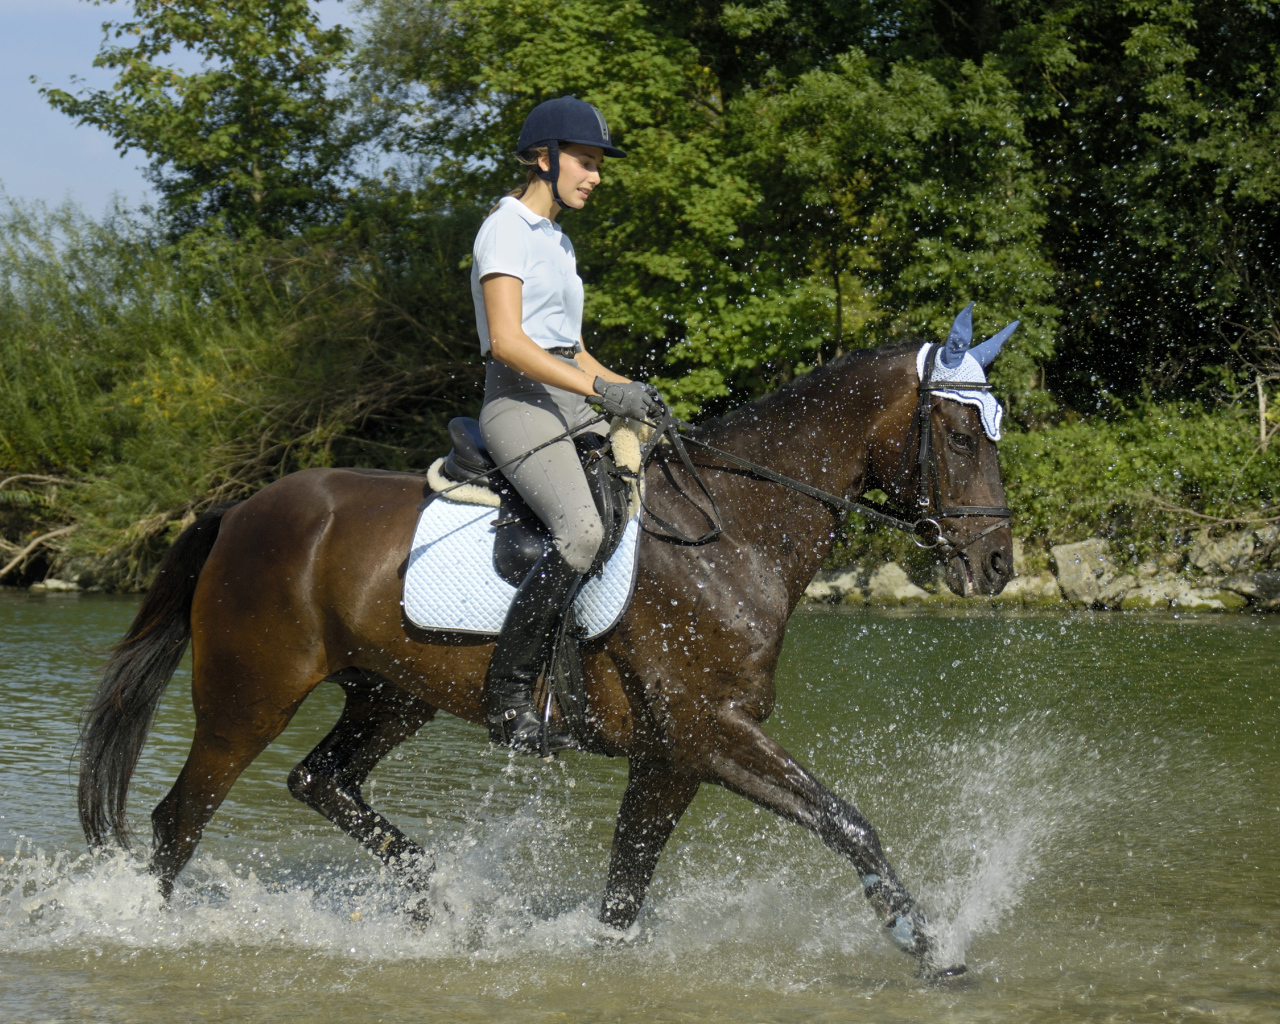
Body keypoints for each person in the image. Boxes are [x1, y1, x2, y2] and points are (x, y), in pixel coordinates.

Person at [472, 96, 661, 753]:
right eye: (586, 161)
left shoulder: (556, 239)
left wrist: (629, 392)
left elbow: (570, 349)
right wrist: (603, 389)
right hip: (519, 400)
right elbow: (508, 342)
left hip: (568, 393)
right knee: (580, 532)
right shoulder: (506, 229)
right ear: (545, 158)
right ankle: (509, 697)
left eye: (598, 164)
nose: (596, 175)